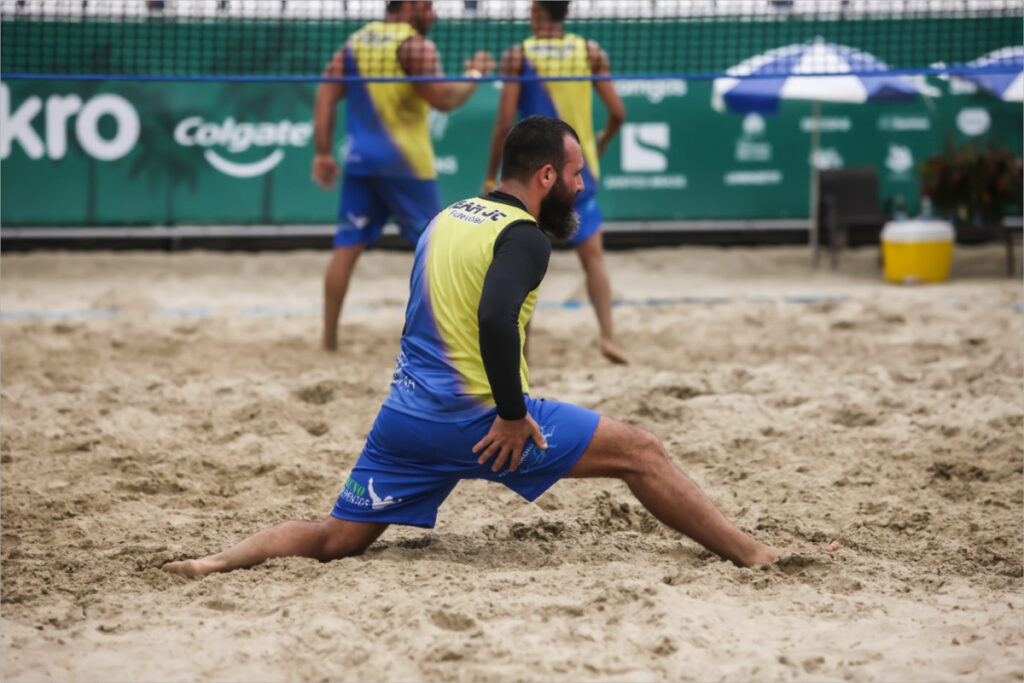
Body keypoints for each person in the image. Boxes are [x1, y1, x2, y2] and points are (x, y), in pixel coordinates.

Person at [163, 116, 837, 579]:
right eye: (575, 174)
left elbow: (424, 318)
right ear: (545, 176)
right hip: (479, 420)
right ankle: (753, 554)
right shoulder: (525, 237)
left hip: (403, 421)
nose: (582, 185)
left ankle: (216, 562)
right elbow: (492, 317)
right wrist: (513, 414)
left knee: (336, 539)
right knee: (641, 451)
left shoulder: (447, 217)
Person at [312, 0, 495, 351]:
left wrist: (322, 152)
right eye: (427, 6)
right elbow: (444, 99)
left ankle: (329, 341)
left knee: (347, 247)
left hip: (361, 160)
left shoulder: (357, 41)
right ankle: (451, 339)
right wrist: (475, 75)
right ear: (408, 5)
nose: (434, 14)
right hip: (407, 166)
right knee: (438, 251)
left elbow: (325, 94)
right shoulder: (414, 45)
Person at [484, 0, 628, 364]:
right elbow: (618, 113)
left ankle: (523, 351)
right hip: (579, 172)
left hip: (534, 177)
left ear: (534, 11)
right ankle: (608, 337)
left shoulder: (519, 56)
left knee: (522, 266)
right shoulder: (589, 52)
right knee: (593, 260)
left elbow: (504, 123)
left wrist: (491, 174)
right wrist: (603, 140)